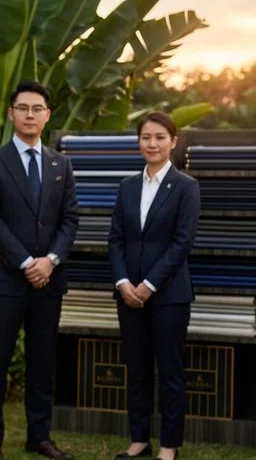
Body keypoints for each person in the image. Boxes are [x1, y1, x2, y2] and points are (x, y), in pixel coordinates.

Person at [0, 81, 78, 460]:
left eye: (38, 108)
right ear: (11, 113)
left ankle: (40, 436)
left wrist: (49, 261)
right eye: (23, 108)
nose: (30, 114)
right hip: (5, 279)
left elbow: (70, 220)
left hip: (48, 282)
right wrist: (25, 262)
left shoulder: (60, 164)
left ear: (48, 114)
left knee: (42, 362)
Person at [108, 112, 200, 460]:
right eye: (146, 137)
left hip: (169, 296)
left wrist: (148, 285)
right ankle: (139, 439)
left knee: (171, 373)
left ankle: (169, 446)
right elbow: (116, 239)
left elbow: (182, 243)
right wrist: (123, 283)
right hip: (128, 295)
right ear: (139, 142)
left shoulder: (187, 187)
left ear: (173, 141)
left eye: (160, 137)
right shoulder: (127, 186)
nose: (152, 143)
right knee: (137, 368)